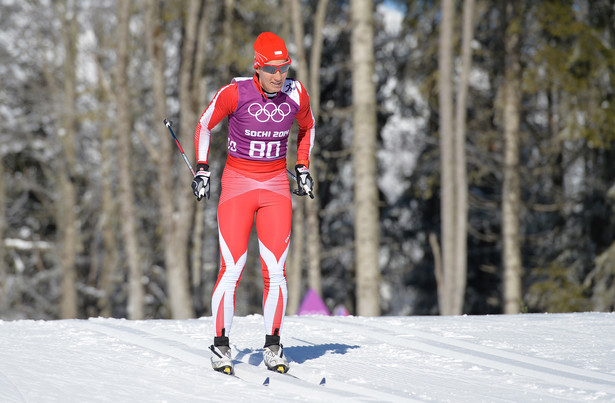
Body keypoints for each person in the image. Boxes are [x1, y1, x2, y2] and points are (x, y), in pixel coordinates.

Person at [192, 32, 315, 375]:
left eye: (285, 68)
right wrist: (202, 168)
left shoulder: (296, 92)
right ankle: (220, 346)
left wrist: (302, 167)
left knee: (276, 271)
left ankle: (273, 347)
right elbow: (204, 125)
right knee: (232, 269)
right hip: (237, 186)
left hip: (275, 186)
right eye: (273, 68)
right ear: (258, 67)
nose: (280, 75)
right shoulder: (235, 93)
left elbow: (309, 127)